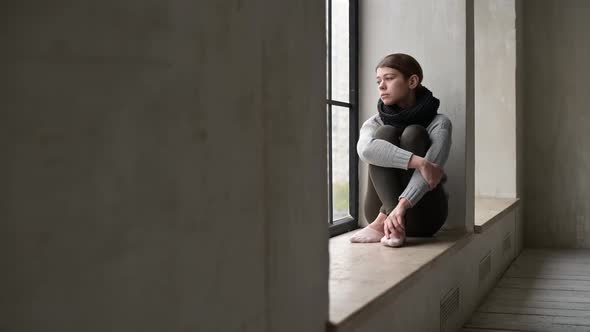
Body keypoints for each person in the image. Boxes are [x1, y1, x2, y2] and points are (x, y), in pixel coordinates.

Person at [350, 53, 452, 248]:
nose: (381, 86)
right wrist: (419, 162)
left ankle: (388, 220)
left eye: (388, 78)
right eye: (378, 81)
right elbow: (365, 151)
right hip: (377, 208)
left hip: (424, 215)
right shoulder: (374, 122)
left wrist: (400, 208)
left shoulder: (439, 124)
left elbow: (430, 174)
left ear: (412, 81)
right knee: (385, 133)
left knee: (414, 134)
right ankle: (386, 219)